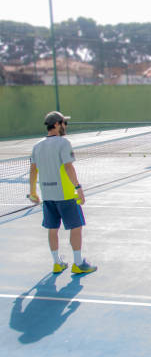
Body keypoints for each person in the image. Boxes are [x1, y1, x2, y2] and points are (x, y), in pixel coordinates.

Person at [29, 111, 97, 274]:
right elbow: (68, 167)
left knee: (52, 229)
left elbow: (33, 171)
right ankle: (78, 263)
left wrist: (33, 192)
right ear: (58, 124)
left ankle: (57, 263)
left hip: (47, 195)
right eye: (64, 123)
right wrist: (78, 187)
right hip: (65, 195)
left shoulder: (36, 146)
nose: (66, 126)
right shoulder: (63, 143)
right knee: (76, 227)